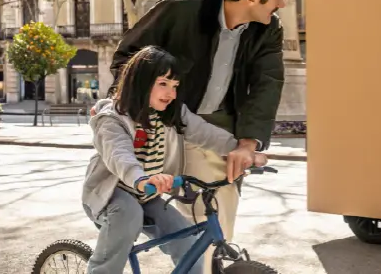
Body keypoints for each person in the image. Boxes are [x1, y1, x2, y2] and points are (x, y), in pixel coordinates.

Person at [104, 0, 293, 273]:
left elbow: (267, 83)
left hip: (220, 129)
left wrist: (248, 144)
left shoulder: (269, 28)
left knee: (218, 227)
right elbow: (126, 59)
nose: (283, 2)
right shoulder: (179, 10)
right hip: (172, 124)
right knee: (192, 230)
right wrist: (146, 110)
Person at [82, 46, 267, 274]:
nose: (171, 93)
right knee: (128, 215)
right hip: (112, 193)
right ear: (139, 81)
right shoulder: (112, 118)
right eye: (163, 83)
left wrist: (242, 150)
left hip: (148, 195)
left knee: (186, 236)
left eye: (175, 86)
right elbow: (118, 155)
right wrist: (141, 179)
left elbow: (205, 133)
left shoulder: (172, 114)